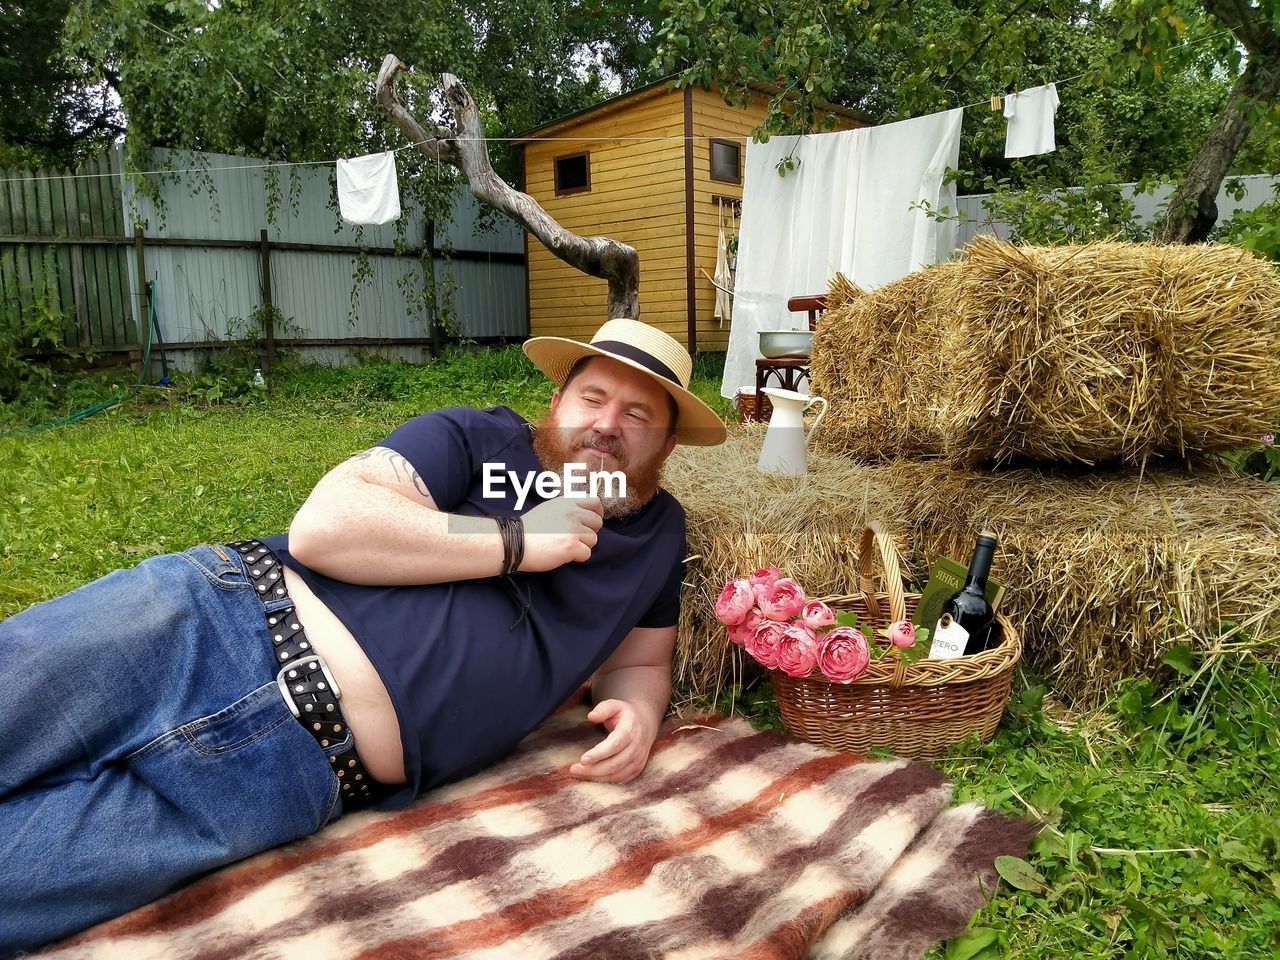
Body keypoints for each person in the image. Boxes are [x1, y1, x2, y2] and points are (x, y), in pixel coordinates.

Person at [0, 318, 726, 957]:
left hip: (285, 776)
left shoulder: (661, 536)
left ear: (666, 441)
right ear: (556, 403)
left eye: (638, 413)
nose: (607, 424)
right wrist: (512, 539)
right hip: (206, 624)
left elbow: (641, 658)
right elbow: (327, 527)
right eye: (592, 398)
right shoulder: (479, 438)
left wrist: (638, 708)